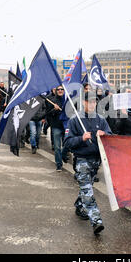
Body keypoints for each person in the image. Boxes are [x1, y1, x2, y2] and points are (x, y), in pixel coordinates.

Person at [64, 93, 112, 235]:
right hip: (82, 160)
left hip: (96, 161)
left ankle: (79, 206)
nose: (92, 104)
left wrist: (105, 135)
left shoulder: (101, 119)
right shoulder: (75, 120)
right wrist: (81, 138)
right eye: (89, 102)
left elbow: (110, 136)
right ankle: (96, 220)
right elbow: (67, 142)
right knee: (87, 190)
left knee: (87, 187)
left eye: (94, 102)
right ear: (83, 103)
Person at [45, 85, 69, 171]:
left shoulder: (67, 100)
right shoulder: (52, 100)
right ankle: (59, 164)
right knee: (57, 147)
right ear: (56, 91)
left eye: (62, 89)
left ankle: (63, 155)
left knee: (67, 145)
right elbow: (48, 113)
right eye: (58, 89)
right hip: (56, 126)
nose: (60, 90)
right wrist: (54, 110)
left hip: (66, 126)